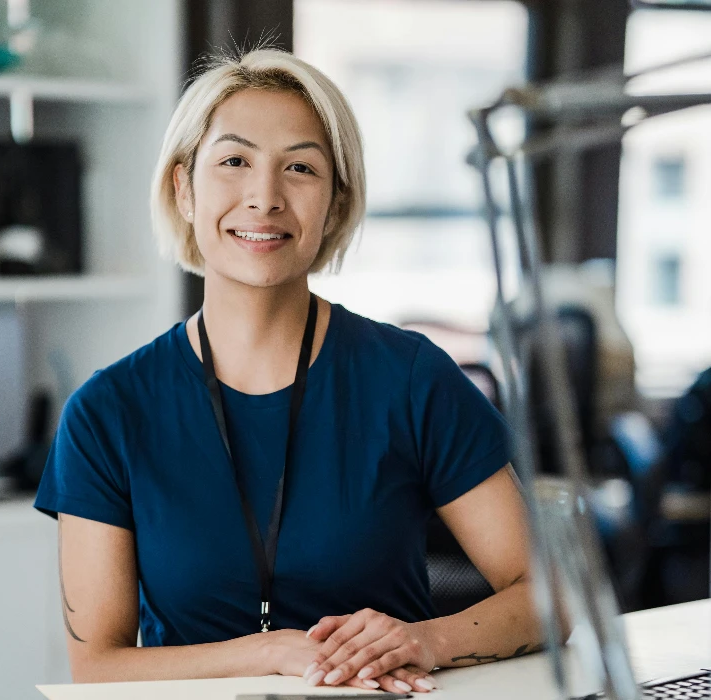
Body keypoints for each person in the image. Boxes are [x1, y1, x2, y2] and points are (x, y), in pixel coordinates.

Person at [33, 48, 542, 694]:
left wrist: (426, 638)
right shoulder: (107, 413)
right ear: (183, 188)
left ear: (334, 203)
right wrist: (269, 653)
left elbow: (550, 594)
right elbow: (97, 665)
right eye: (235, 162)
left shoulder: (412, 379)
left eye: (299, 168)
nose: (265, 197)